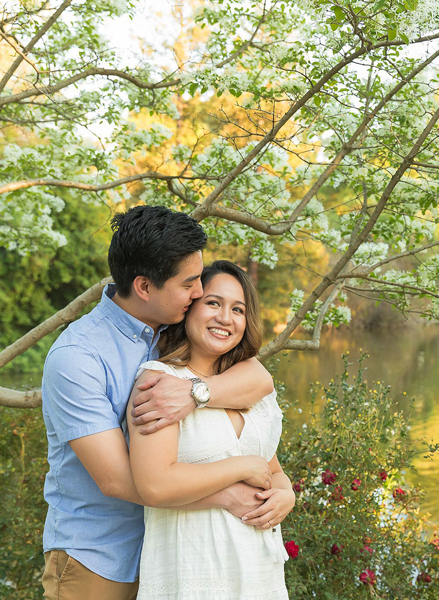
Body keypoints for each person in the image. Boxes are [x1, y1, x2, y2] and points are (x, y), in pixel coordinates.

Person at [41, 206, 274, 600]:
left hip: (174, 557)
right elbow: (116, 479)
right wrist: (228, 493)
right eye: (189, 284)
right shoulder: (77, 357)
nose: (199, 293)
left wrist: (196, 393)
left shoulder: (176, 329)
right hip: (101, 559)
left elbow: (259, 378)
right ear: (145, 287)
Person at [127, 260, 295, 599]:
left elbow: (270, 466)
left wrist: (286, 493)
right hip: (193, 567)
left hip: (258, 571)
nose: (225, 318)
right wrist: (241, 467)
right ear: (190, 308)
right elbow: (154, 486)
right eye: (213, 303)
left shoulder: (249, 385)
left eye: (238, 309)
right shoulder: (159, 382)